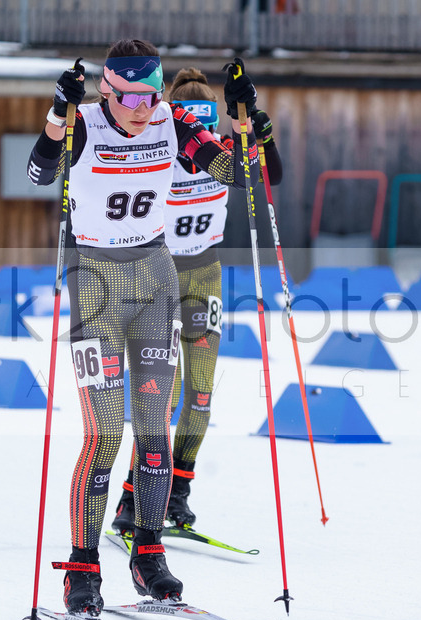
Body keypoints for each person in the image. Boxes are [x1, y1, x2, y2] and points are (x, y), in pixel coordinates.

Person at [26, 39, 257, 616]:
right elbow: (37, 172)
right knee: (104, 433)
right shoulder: (83, 122)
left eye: (148, 95)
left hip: (156, 279)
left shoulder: (171, 120)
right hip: (97, 283)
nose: (139, 108)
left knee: (154, 433)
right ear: (107, 89)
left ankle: (148, 552)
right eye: (128, 96)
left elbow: (234, 173)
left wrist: (244, 119)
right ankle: (82, 567)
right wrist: (58, 114)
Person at [109, 66, 282, 537]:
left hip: (205, 276)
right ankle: (134, 492)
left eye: (205, 126)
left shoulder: (220, 153)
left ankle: (178, 490)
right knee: (158, 401)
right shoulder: (160, 148)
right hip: (159, 277)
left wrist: (260, 135)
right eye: (193, 125)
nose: (197, 140)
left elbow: (270, 176)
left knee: (200, 396)